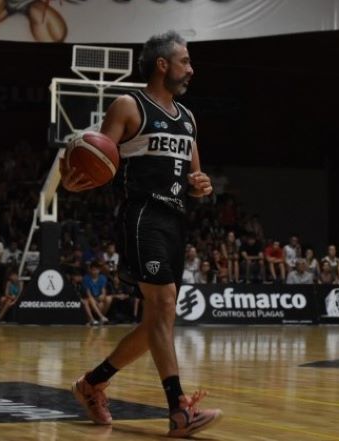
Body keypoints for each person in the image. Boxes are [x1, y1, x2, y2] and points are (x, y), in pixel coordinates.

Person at [63, 30, 221, 437]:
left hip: (175, 220)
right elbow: (98, 154)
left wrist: (201, 185)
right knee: (164, 304)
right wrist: (74, 177)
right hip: (141, 216)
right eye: (185, 61)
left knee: (158, 319)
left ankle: (92, 383)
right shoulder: (129, 105)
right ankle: (179, 410)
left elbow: (193, 175)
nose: (191, 68)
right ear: (162, 64)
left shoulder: (187, 118)